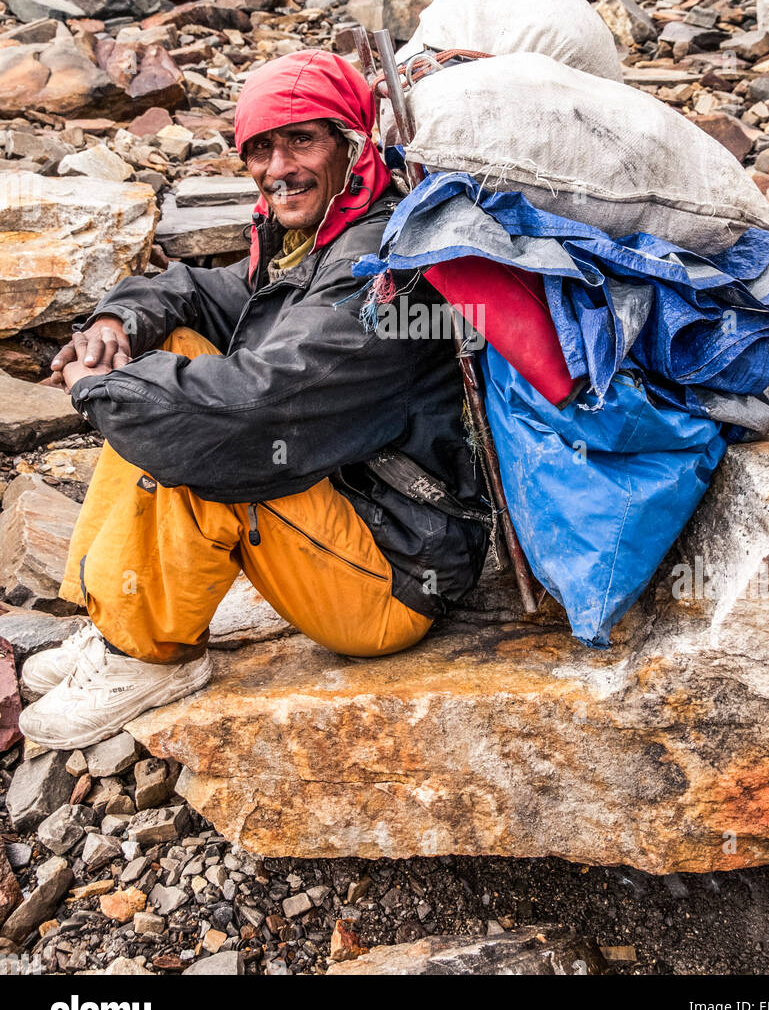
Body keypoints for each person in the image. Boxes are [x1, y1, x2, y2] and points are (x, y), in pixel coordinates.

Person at [18, 50, 488, 749]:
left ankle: (148, 655)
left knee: (204, 443)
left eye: (302, 140)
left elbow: (252, 411)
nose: (277, 168)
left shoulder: (377, 271)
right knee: (172, 348)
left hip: (392, 580)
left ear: (352, 145)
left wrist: (99, 389)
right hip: (346, 512)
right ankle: (114, 618)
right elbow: (197, 293)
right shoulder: (314, 239)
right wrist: (114, 327)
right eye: (259, 149)